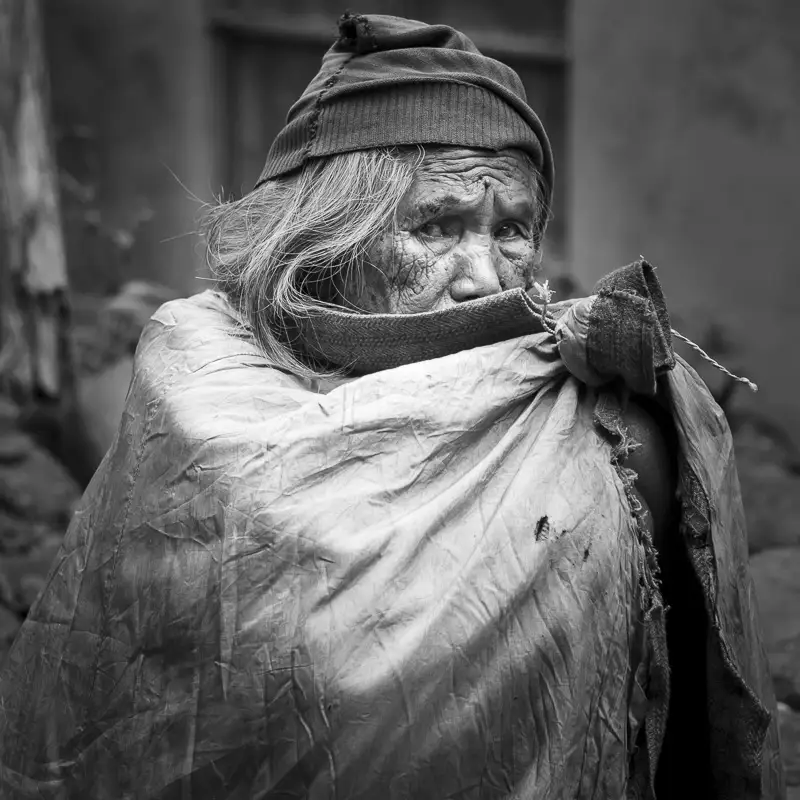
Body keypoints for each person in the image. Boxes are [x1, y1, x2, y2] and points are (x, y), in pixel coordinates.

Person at [0, 12, 783, 799]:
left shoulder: (593, 428)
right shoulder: (204, 379)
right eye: (437, 226)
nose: (485, 276)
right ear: (330, 241)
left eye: (511, 230)